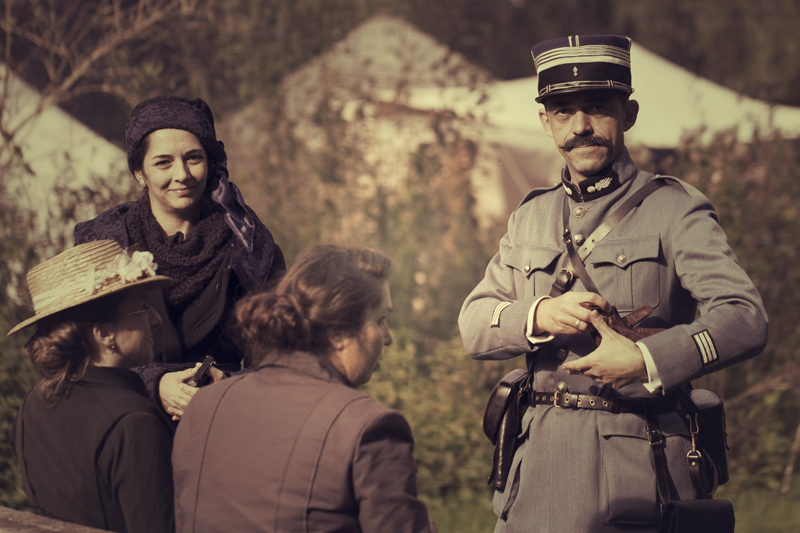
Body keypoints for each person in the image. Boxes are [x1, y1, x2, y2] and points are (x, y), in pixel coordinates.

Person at [459, 35, 768, 532]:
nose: (580, 126)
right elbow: (474, 325)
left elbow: (744, 317)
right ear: (545, 121)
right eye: (562, 111)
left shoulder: (674, 208)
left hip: (636, 475)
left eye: (597, 108)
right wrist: (537, 314)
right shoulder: (530, 216)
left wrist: (647, 359)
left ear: (629, 113)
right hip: (534, 477)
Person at [171, 245, 436, 533]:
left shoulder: (203, 405)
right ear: (337, 333)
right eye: (380, 320)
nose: (388, 338)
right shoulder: (367, 427)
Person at [74, 96, 285, 420]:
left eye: (193, 158)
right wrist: (154, 384)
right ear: (139, 171)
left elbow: (280, 356)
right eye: (163, 162)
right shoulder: (105, 243)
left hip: (225, 421)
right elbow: (80, 354)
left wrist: (225, 386)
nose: (182, 174)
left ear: (211, 163)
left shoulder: (249, 245)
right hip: (128, 422)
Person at [10, 240, 177, 533]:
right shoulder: (134, 424)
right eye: (142, 308)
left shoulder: (32, 405)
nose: (156, 320)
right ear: (103, 334)